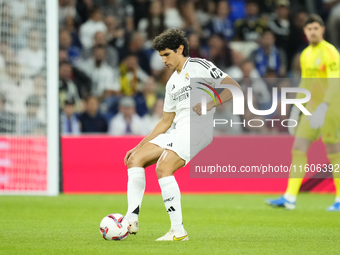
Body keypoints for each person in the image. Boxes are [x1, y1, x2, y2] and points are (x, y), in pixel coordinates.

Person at [123, 29, 241, 241]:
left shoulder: (198, 66)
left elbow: (233, 87)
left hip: (198, 128)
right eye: (160, 56)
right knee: (135, 159)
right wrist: (139, 146)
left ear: (180, 49)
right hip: (178, 129)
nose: (163, 60)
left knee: (163, 167)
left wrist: (210, 102)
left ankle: (178, 231)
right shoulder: (171, 83)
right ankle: (131, 218)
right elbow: (165, 122)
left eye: (167, 54)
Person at [266, 14, 340, 211]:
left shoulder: (330, 52)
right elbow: (305, 84)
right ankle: (290, 197)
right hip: (311, 109)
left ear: (322, 30)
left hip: (331, 108)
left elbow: (335, 83)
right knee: (298, 148)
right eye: (309, 29)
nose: (313, 31)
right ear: (305, 32)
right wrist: (295, 111)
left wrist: (324, 107)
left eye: (316, 28)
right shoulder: (306, 54)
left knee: (334, 152)